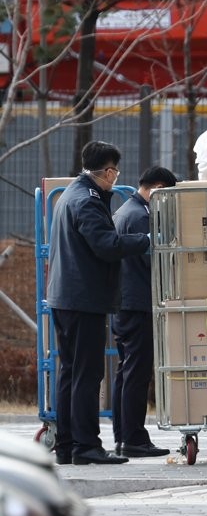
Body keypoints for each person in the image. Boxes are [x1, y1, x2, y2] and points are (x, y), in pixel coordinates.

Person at [46, 141, 150, 465]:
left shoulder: (70, 194)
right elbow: (106, 244)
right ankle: (86, 445)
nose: (116, 178)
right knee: (87, 376)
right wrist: (147, 240)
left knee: (70, 374)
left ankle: (66, 445)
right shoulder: (88, 201)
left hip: (67, 297)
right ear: (107, 172)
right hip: (83, 299)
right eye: (115, 172)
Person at [110, 166, 177, 458]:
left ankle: (124, 436)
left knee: (126, 372)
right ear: (158, 188)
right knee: (136, 373)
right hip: (136, 303)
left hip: (125, 301)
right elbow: (153, 261)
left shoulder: (126, 211)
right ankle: (134, 438)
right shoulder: (140, 216)